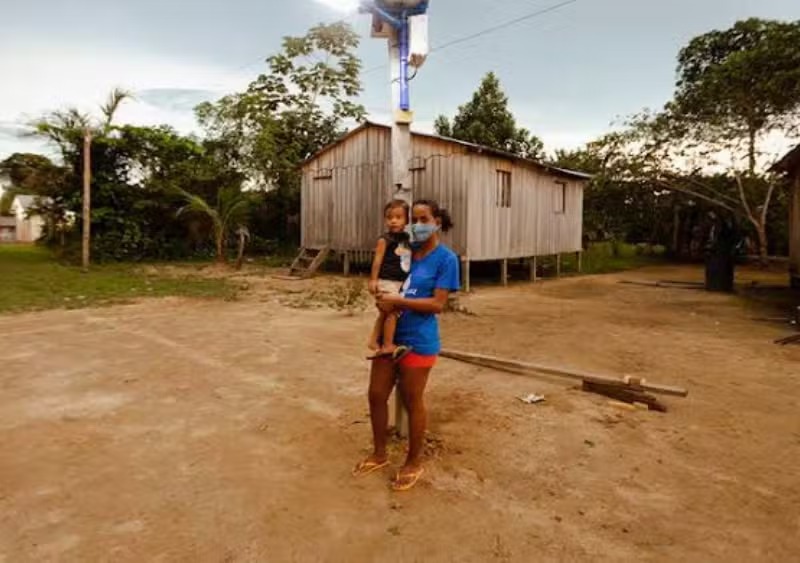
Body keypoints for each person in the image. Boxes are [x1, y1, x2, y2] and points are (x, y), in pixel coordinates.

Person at [353, 199, 460, 492]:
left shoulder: (446, 259)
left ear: (437, 222)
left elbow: (438, 304)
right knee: (376, 395)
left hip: (420, 341)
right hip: (393, 337)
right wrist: (380, 293)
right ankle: (379, 454)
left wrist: (398, 301)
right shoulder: (406, 252)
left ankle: (413, 461)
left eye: (424, 219)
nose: (418, 225)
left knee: (413, 401)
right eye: (414, 219)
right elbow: (387, 277)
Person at [367, 200, 412, 360]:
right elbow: (377, 260)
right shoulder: (384, 240)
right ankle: (387, 345)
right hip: (386, 280)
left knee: (385, 312)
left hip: (399, 282)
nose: (393, 221)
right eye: (389, 217)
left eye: (398, 217)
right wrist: (373, 281)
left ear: (407, 220)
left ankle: (373, 341)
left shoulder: (406, 239)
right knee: (392, 312)